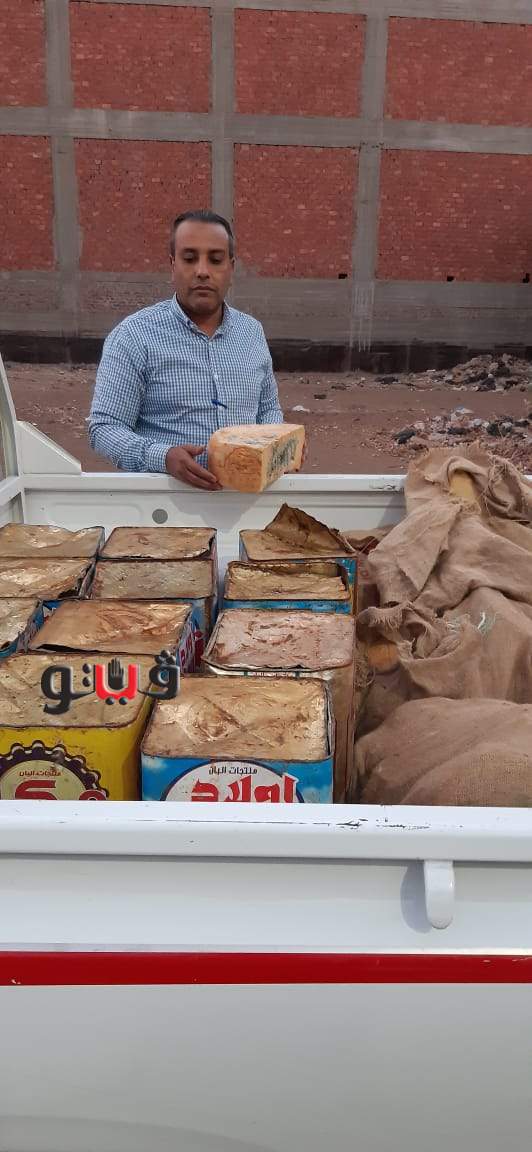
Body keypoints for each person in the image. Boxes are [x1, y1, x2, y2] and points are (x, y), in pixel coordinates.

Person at [88, 209, 284, 491]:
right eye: (190, 258)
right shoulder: (134, 336)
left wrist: (280, 444)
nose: (202, 271)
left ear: (231, 268)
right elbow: (105, 428)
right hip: (166, 504)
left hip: (246, 499)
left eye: (215, 260)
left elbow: (268, 411)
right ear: (172, 265)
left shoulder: (251, 332)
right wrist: (163, 457)